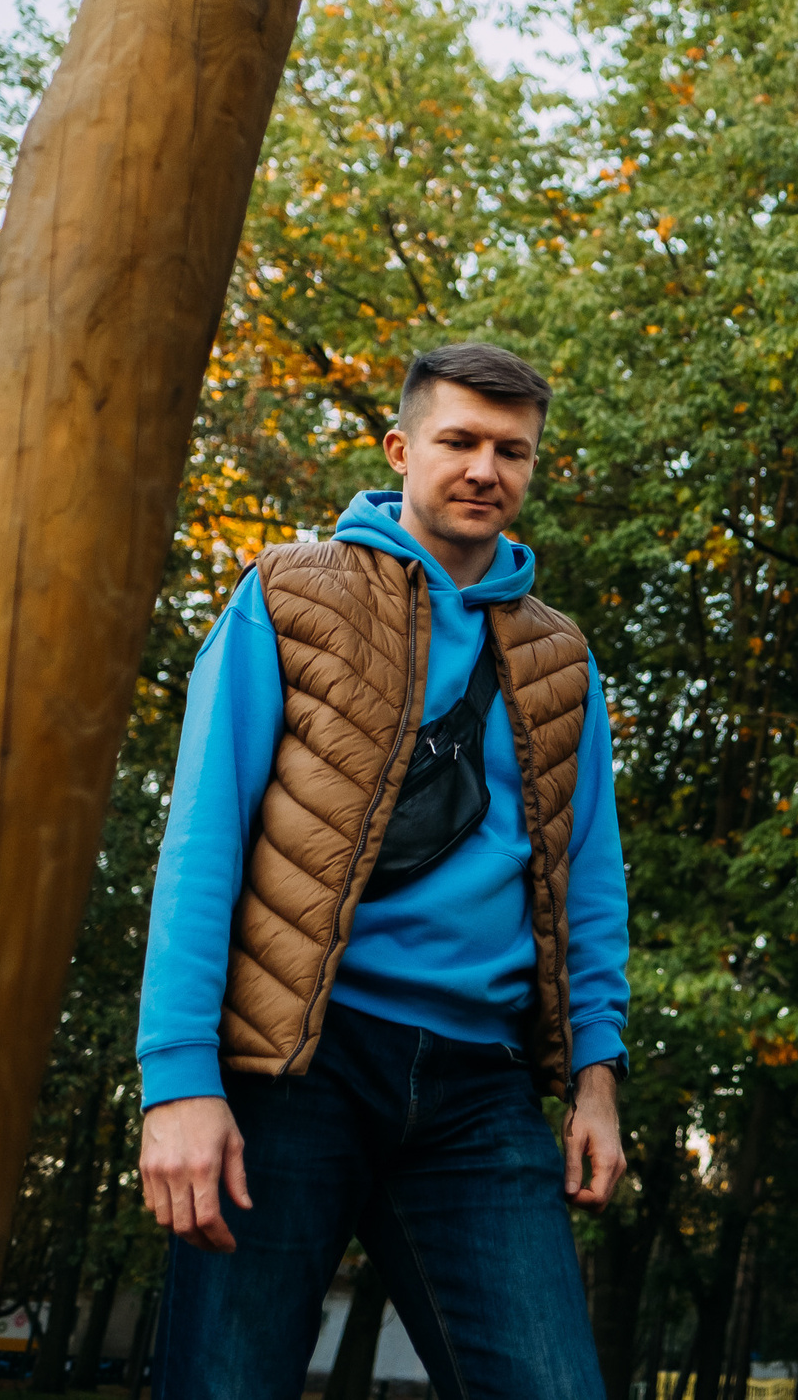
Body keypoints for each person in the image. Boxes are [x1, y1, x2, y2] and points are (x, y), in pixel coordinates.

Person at [133, 341, 631, 1400]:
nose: (485, 470)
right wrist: (177, 1079)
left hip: (480, 1094)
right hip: (293, 1071)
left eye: (514, 451)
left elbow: (588, 888)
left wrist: (597, 1078)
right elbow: (202, 840)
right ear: (402, 447)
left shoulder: (561, 657)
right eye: (458, 442)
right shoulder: (288, 593)